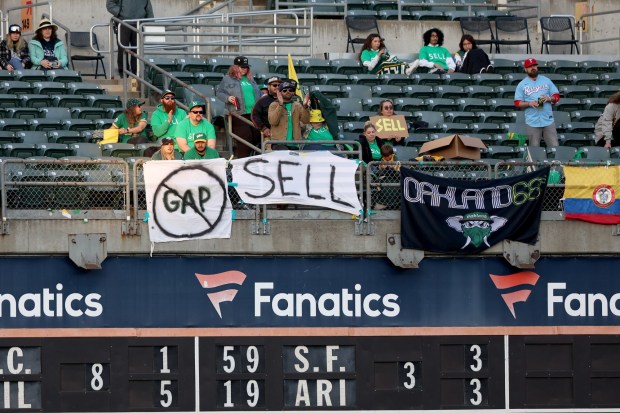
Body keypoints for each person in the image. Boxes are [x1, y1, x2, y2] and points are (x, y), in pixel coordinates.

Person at [216, 55, 262, 158]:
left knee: (257, 137)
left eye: (246, 67)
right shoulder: (227, 79)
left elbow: (257, 93)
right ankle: (241, 162)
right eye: (242, 67)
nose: (244, 69)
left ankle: (250, 160)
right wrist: (228, 98)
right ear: (235, 67)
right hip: (237, 113)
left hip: (253, 113)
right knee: (245, 139)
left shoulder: (251, 79)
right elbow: (219, 93)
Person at [514, 58, 560, 147]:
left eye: (534, 65)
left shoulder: (546, 80)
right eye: (530, 66)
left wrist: (549, 98)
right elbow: (517, 103)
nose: (533, 68)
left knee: (554, 146)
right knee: (534, 148)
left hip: (547, 120)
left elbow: (557, 97)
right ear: (525, 69)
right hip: (532, 121)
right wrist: (529, 103)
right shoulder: (522, 84)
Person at [106, 0, 153, 77]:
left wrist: (150, 22)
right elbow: (110, 4)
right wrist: (119, 12)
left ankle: (136, 74)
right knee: (123, 49)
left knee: (137, 50)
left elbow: (148, 7)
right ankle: (123, 74)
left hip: (139, 24)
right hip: (123, 23)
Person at [267, 79, 311, 149]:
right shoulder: (273, 105)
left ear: (294, 93)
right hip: (278, 143)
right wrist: (280, 105)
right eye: (285, 90)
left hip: (295, 144)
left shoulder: (297, 105)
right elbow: (273, 121)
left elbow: (305, 121)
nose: (288, 92)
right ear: (280, 93)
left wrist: (305, 107)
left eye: (291, 90)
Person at [251, 76, 281, 142]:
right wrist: (263, 128)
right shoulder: (262, 101)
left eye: (279, 85)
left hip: (285, 134)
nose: (277, 87)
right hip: (269, 135)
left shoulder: (287, 99)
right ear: (269, 87)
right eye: (274, 85)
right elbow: (254, 116)